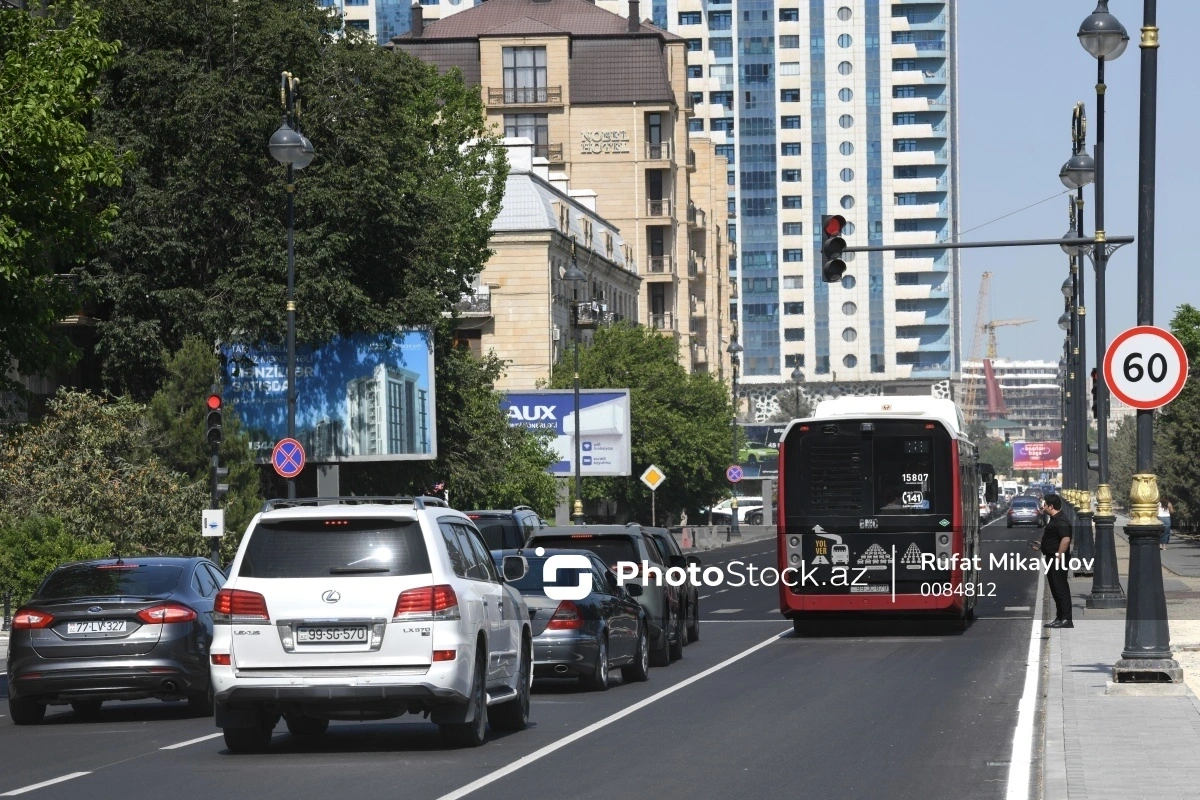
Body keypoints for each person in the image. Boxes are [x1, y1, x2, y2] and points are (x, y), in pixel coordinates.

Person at [1033, 493, 1073, 629]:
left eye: (1044, 505)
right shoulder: (1055, 519)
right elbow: (1055, 539)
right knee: (1055, 589)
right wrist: (1041, 545)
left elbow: (1066, 539)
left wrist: (1058, 556)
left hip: (1057, 560)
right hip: (1052, 558)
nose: (1043, 508)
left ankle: (1066, 619)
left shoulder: (1061, 520)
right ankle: (1060, 617)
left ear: (1051, 506)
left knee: (1061, 589)